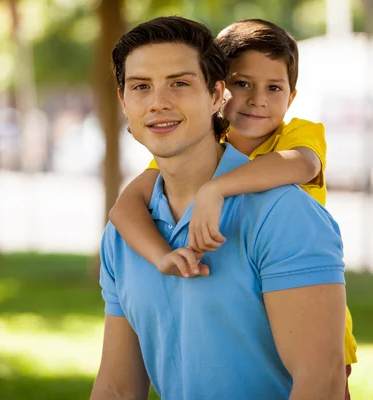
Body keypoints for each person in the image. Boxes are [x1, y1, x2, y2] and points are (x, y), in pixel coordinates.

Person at [91, 16, 347, 399]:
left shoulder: (285, 214)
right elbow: (116, 389)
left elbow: (321, 383)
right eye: (141, 86)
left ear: (216, 95)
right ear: (124, 102)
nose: (159, 103)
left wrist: (214, 191)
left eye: (179, 83)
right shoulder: (127, 233)